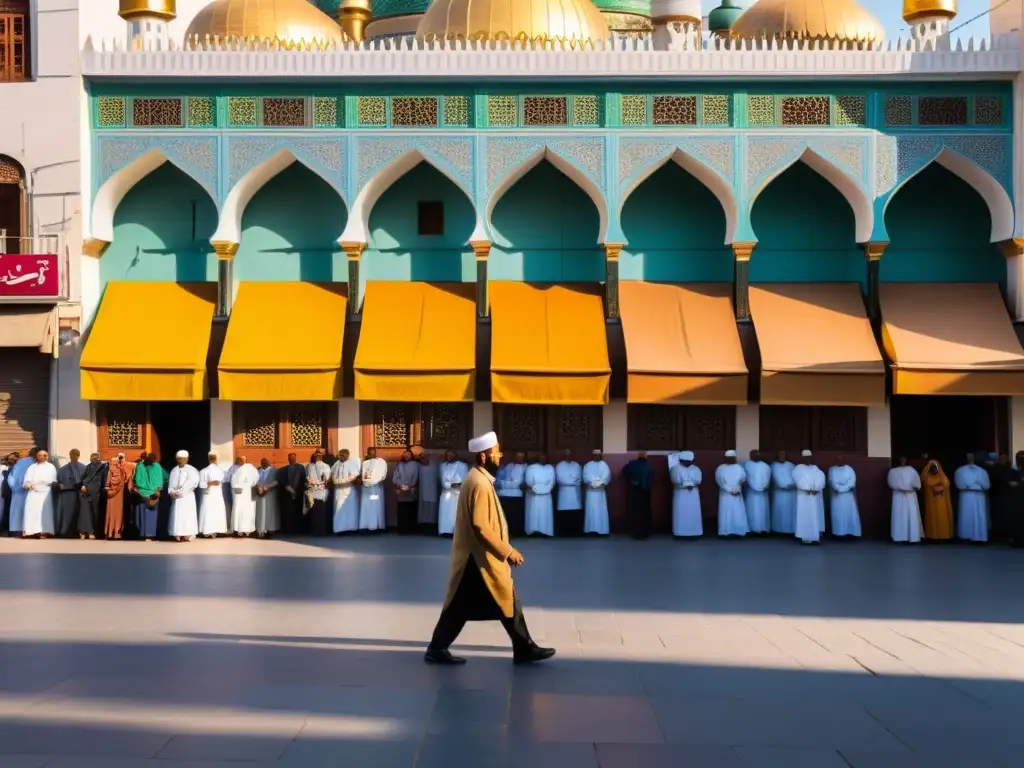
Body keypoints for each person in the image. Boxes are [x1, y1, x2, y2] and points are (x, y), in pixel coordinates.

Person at [424, 430, 555, 666]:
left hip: (478, 556)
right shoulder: (479, 483)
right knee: (481, 601)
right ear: (484, 457)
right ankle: (438, 647)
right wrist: (508, 552)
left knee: (499, 599)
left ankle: (523, 647)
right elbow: (481, 526)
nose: (500, 456)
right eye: (496, 453)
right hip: (477, 558)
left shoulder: (479, 479)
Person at [955, 453, 991, 543]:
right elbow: (959, 484)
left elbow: (986, 485)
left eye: (972, 457)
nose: (970, 458)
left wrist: (976, 484)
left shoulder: (982, 471)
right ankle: (966, 536)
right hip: (966, 496)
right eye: (968, 457)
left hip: (979, 496)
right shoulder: (960, 470)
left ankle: (980, 537)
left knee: (979, 515)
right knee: (967, 515)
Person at [21, 449, 57, 538]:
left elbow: (53, 481)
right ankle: (31, 531)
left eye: (43, 455)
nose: (41, 457)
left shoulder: (51, 467)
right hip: (33, 492)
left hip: (45, 493)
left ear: (46, 456)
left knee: (44, 512)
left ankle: (45, 531)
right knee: (31, 511)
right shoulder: (32, 467)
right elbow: (27, 480)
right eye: (39, 455)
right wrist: (27, 484)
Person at [792, 450, 826, 545]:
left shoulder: (815, 468)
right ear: (802, 458)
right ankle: (805, 538)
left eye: (809, 457)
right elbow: (798, 480)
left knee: (815, 516)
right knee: (805, 516)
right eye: (805, 457)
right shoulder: (797, 468)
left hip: (815, 496)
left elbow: (821, 478)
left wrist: (816, 488)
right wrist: (808, 489)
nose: (807, 459)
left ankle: (815, 538)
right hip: (804, 497)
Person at [889, 455, 923, 544]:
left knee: (911, 514)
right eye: (901, 459)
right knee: (899, 515)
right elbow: (891, 482)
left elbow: (917, 482)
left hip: (910, 495)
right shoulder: (893, 471)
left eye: (904, 459)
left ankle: (913, 537)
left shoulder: (911, 470)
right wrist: (901, 488)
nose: (902, 460)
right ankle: (899, 537)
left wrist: (914, 487)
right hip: (898, 496)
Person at [132, 453, 166, 541]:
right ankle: (150, 535)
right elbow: (162, 479)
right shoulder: (157, 467)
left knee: (142, 515)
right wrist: (158, 489)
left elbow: (135, 479)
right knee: (152, 515)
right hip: (153, 495)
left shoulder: (139, 466)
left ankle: (143, 534)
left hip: (142, 494)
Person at [167, 450, 200, 542]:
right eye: (179, 459)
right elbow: (171, 484)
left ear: (187, 459)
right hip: (177, 498)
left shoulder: (191, 470)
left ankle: (188, 534)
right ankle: (177, 534)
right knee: (177, 514)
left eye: (182, 459)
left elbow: (192, 482)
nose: (181, 461)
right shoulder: (174, 470)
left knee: (188, 515)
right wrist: (172, 492)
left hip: (187, 496)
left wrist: (181, 491)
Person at [670, 450, 702, 538]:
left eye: (689, 462)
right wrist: (683, 485)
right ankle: (680, 533)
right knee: (681, 513)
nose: (687, 463)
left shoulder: (695, 468)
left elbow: (699, 480)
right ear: (681, 460)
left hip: (693, 494)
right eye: (685, 461)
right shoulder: (675, 468)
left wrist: (693, 484)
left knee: (693, 512)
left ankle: (695, 532)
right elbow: (675, 480)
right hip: (680, 494)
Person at [716, 450, 748, 537]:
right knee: (726, 513)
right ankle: (725, 532)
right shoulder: (721, 468)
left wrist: (737, 489)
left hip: (737, 493)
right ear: (726, 459)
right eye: (729, 458)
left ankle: (738, 531)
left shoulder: (739, 467)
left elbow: (742, 480)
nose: (732, 460)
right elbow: (720, 482)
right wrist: (730, 490)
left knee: (737, 513)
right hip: (725, 494)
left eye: (733, 458)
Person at [495, 451, 527, 538]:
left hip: (518, 495)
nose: (519, 459)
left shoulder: (526, 467)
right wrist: (514, 484)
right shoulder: (506, 467)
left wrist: (510, 484)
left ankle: (517, 532)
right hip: (504, 495)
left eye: (521, 457)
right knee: (506, 515)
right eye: (518, 457)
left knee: (516, 515)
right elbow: (499, 483)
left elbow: (523, 484)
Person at [828, 457, 862, 539]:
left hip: (848, 496)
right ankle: (839, 534)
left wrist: (842, 489)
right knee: (838, 514)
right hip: (837, 497)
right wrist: (840, 489)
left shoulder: (849, 469)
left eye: (841, 459)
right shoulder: (832, 469)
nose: (840, 461)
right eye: (838, 459)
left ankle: (852, 533)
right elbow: (832, 481)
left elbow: (852, 482)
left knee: (850, 514)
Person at [54, 449, 85, 538]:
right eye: (73, 454)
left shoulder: (83, 468)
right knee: (67, 513)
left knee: (76, 513)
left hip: (76, 494)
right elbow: (56, 482)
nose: (75, 456)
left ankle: (73, 531)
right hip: (67, 494)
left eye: (76, 454)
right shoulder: (63, 469)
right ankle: (66, 531)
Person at [920, 459, 954, 541]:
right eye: (932, 467)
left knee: (942, 517)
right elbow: (923, 483)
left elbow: (946, 484)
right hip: (931, 502)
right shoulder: (926, 477)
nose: (934, 469)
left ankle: (944, 536)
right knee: (932, 518)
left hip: (941, 502)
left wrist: (940, 486)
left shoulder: (942, 476)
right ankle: (932, 536)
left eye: (935, 467)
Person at [553, 449, 583, 537]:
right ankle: (563, 533)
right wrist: (572, 482)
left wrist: (570, 481)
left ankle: (575, 532)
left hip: (575, 494)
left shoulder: (577, 465)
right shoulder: (559, 465)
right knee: (564, 514)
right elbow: (560, 479)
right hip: (564, 493)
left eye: (569, 455)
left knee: (574, 513)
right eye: (566, 455)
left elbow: (579, 478)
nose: (568, 456)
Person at [622, 451, 653, 539]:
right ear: (646, 457)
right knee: (644, 512)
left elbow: (624, 473)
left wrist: (632, 482)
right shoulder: (648, 466)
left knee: (634, 511)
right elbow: (651, 479)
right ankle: (644, 533)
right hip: (644, 493)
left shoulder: (631, 464)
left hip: (633, 492)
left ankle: (634, 533)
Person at [6, 448, 36, 537]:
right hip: (28, 490)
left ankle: (14, 530)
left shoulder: (20, 463)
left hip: (17, 491)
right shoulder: (34, 464)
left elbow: (11, 477)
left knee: (16, 511)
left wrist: (14, 488)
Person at [104, 452, 133, 540]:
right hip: (113, 494)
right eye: (119, 457)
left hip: (120, 494)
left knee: (119, 513)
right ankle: (110, 532)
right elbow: (107, 482)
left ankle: (116, 532)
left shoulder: (125, 467)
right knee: (111, 513)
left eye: (122, 457)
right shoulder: (110, 468)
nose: (120, 459)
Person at [438, 450, 468, 536]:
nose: (449, 456)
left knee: (455, 513)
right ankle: (445, 531)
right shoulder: (443, 466)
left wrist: (458, 484)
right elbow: (443, 480)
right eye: (447, 455)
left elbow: (465, 479)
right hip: (446, 493)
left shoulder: (462, 465)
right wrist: (450, 485)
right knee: (446, 513)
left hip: (458, 493)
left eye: (451, 454)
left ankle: (456, 532)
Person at [331, 448, 361, 534]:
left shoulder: (352, 463)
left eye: (342, 455)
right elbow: (332, 473)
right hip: (338, 490)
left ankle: (351, 529)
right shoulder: (336, 463)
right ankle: (339, 529)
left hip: (348, 490)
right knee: (339, 508)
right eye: (340, 455)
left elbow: (354, 476)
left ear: (347, 455)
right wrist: (334, 480)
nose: (341, 457)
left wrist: (342, 481)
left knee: (350, 510)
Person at [524, 453, 555, 537]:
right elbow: (529, 482)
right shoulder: (531, 468)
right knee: (534, 512)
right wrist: (537, 489)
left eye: (544, 458)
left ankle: (545, 531)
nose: (543, 459)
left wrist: (545, 489)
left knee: (545, 513)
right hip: (533, 496)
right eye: (541, 458)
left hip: (546, 495)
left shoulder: (550, 468)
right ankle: (533, 531)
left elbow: (551, 482)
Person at [198, 453, 228, 538]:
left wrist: (208, 483)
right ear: (216, 459)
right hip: (212, 494)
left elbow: (201, 484)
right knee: (213, 511)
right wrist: (210, 483)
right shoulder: (220, 471)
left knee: (211, 511)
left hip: (212, 494)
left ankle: (209, 531)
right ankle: (211, 531)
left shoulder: (204, 471)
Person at [582, 448, 610, 536]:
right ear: (592, 455)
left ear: (600, 456)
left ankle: (602, 530)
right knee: (591, 510)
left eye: (598, 455)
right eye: (595, 455)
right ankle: (590, 530)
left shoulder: (604, 465)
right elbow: (586, 476)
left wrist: (598, 483)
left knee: (601, 510)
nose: (596, 456)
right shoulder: (587, 465)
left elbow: (606, 476)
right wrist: (594, 483)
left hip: (600, 492)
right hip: (591, 492)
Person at [359, 447, 388, 532]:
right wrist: (368, 482)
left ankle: (377, 526)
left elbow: (383, 474)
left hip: (377, 488)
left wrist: (375, 481)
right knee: (367, 506)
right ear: (368, 454)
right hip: (367, 489)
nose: (372, 454)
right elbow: (365, 475)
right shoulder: (366, 463)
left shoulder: (381, 462)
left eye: (373, 453)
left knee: (376, 506)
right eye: (370, 453)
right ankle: (367, 526)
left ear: (376, 453)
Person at [392, 448, 420, 535]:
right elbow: (395, 477)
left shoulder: (415, 464)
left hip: (411, 489)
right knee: (402, 510)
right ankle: (402, 529)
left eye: (408, 454)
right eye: (405, 455)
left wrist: (411, 485)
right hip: (401, 490)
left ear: (411, 456)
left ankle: (411, 529)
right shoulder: (400, 465)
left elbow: (416, 476)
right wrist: (401, 485)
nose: (407, 456)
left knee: (411, 509)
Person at [743, 450, 771, 535]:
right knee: (752, 510)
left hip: (763, 493)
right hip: (751, 493)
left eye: (757, 455)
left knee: (762, 511)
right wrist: (752, 486)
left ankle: (763, 529)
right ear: (750, 456)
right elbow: (745, 477)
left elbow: (768, 477)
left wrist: (766, 486)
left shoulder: (765, 466)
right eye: (753, 455)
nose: (755, 456)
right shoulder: (746, 465)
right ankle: (752, 529)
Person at [230, 456, 260, 537]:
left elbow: (256, 479)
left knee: (248, 511)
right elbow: (233, 479)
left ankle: (247, 531)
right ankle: (240, 530)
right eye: (240, 460)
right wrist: (236, 487)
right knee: (240, 511)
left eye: (243, 460)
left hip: (248, 493)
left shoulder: (250, 468)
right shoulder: (236, 469)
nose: (241, 461)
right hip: (242, 494)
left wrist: (249, 485)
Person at [78, 453, 105, 539]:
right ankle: (83, 531)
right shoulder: (88, 467)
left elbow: (102, 480)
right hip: (85, 492)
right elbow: (81, 479)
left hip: (97, 493)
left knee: (95, 513)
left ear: (99, 458)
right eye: (92, 458)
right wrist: (82, 486)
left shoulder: (103, 467)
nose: (93, 459)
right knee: (84, 513)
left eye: (95, 458)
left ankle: (94, 532)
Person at [770, 450, 797, 535]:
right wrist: (781, 485)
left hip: (791, 493)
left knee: (790, 511)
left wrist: (792, 485)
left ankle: (790, 530)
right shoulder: (773, 466)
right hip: (779, 493)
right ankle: (778, 530)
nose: (782, 456)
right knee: (779, 510)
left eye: (783, 454)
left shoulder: (791, 465)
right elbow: (774, 478)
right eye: (780, 454)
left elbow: (796, 477)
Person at [988, 454, 1014, 542]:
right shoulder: (994, 470)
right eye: (1002, 458)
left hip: (1006, 496)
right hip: (997, 496)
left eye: (1005, 458)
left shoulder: (1010, 470)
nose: (1003, 460)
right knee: (996, 515)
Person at [306, 450, 331, 536]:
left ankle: (318, 531)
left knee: (317, 511)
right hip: (318, 490)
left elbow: (309, 479)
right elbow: (326, 479)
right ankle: (319, 531)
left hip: (317, 490)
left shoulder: (311, 466)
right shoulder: (323, 466)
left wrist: (316, 484)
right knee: (318, 511)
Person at [280, 453, 306, 535]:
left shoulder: (301, 467)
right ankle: (289, 530)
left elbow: (303, 479)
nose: (292, 459)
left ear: (296, 458)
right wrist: (291, 491)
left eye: (293, 457)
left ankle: (298, 530)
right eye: (290, 458)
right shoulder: (284, 469)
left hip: (299, 493)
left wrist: (297, 492)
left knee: (298, 511)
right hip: (288, 493)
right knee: (288, 512)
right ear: (288, 459)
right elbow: (284, 481)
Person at [254, 458, 279, 537]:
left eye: (266, 462)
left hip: (270, 494)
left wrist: (268, 486)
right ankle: (260, 529)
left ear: (269, 462)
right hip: (260, 494)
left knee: (270, 512)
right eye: (263, 462)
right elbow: (254, 481)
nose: (264, 463)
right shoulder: (257, 470)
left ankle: (271, 529)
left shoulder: (274, 470)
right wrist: (258, 487)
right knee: (260, 512)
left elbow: (277, 481)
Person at [417, 450, 440, 534]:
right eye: (422, 457)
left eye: (425, 456)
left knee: (432, 510)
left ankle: (432, 528)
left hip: (432, 490)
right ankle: (423, 528)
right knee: (423, 510)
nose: (424, 458)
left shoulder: (434, 465)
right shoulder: (419, 466)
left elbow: (439, 478)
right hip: (422, 491)